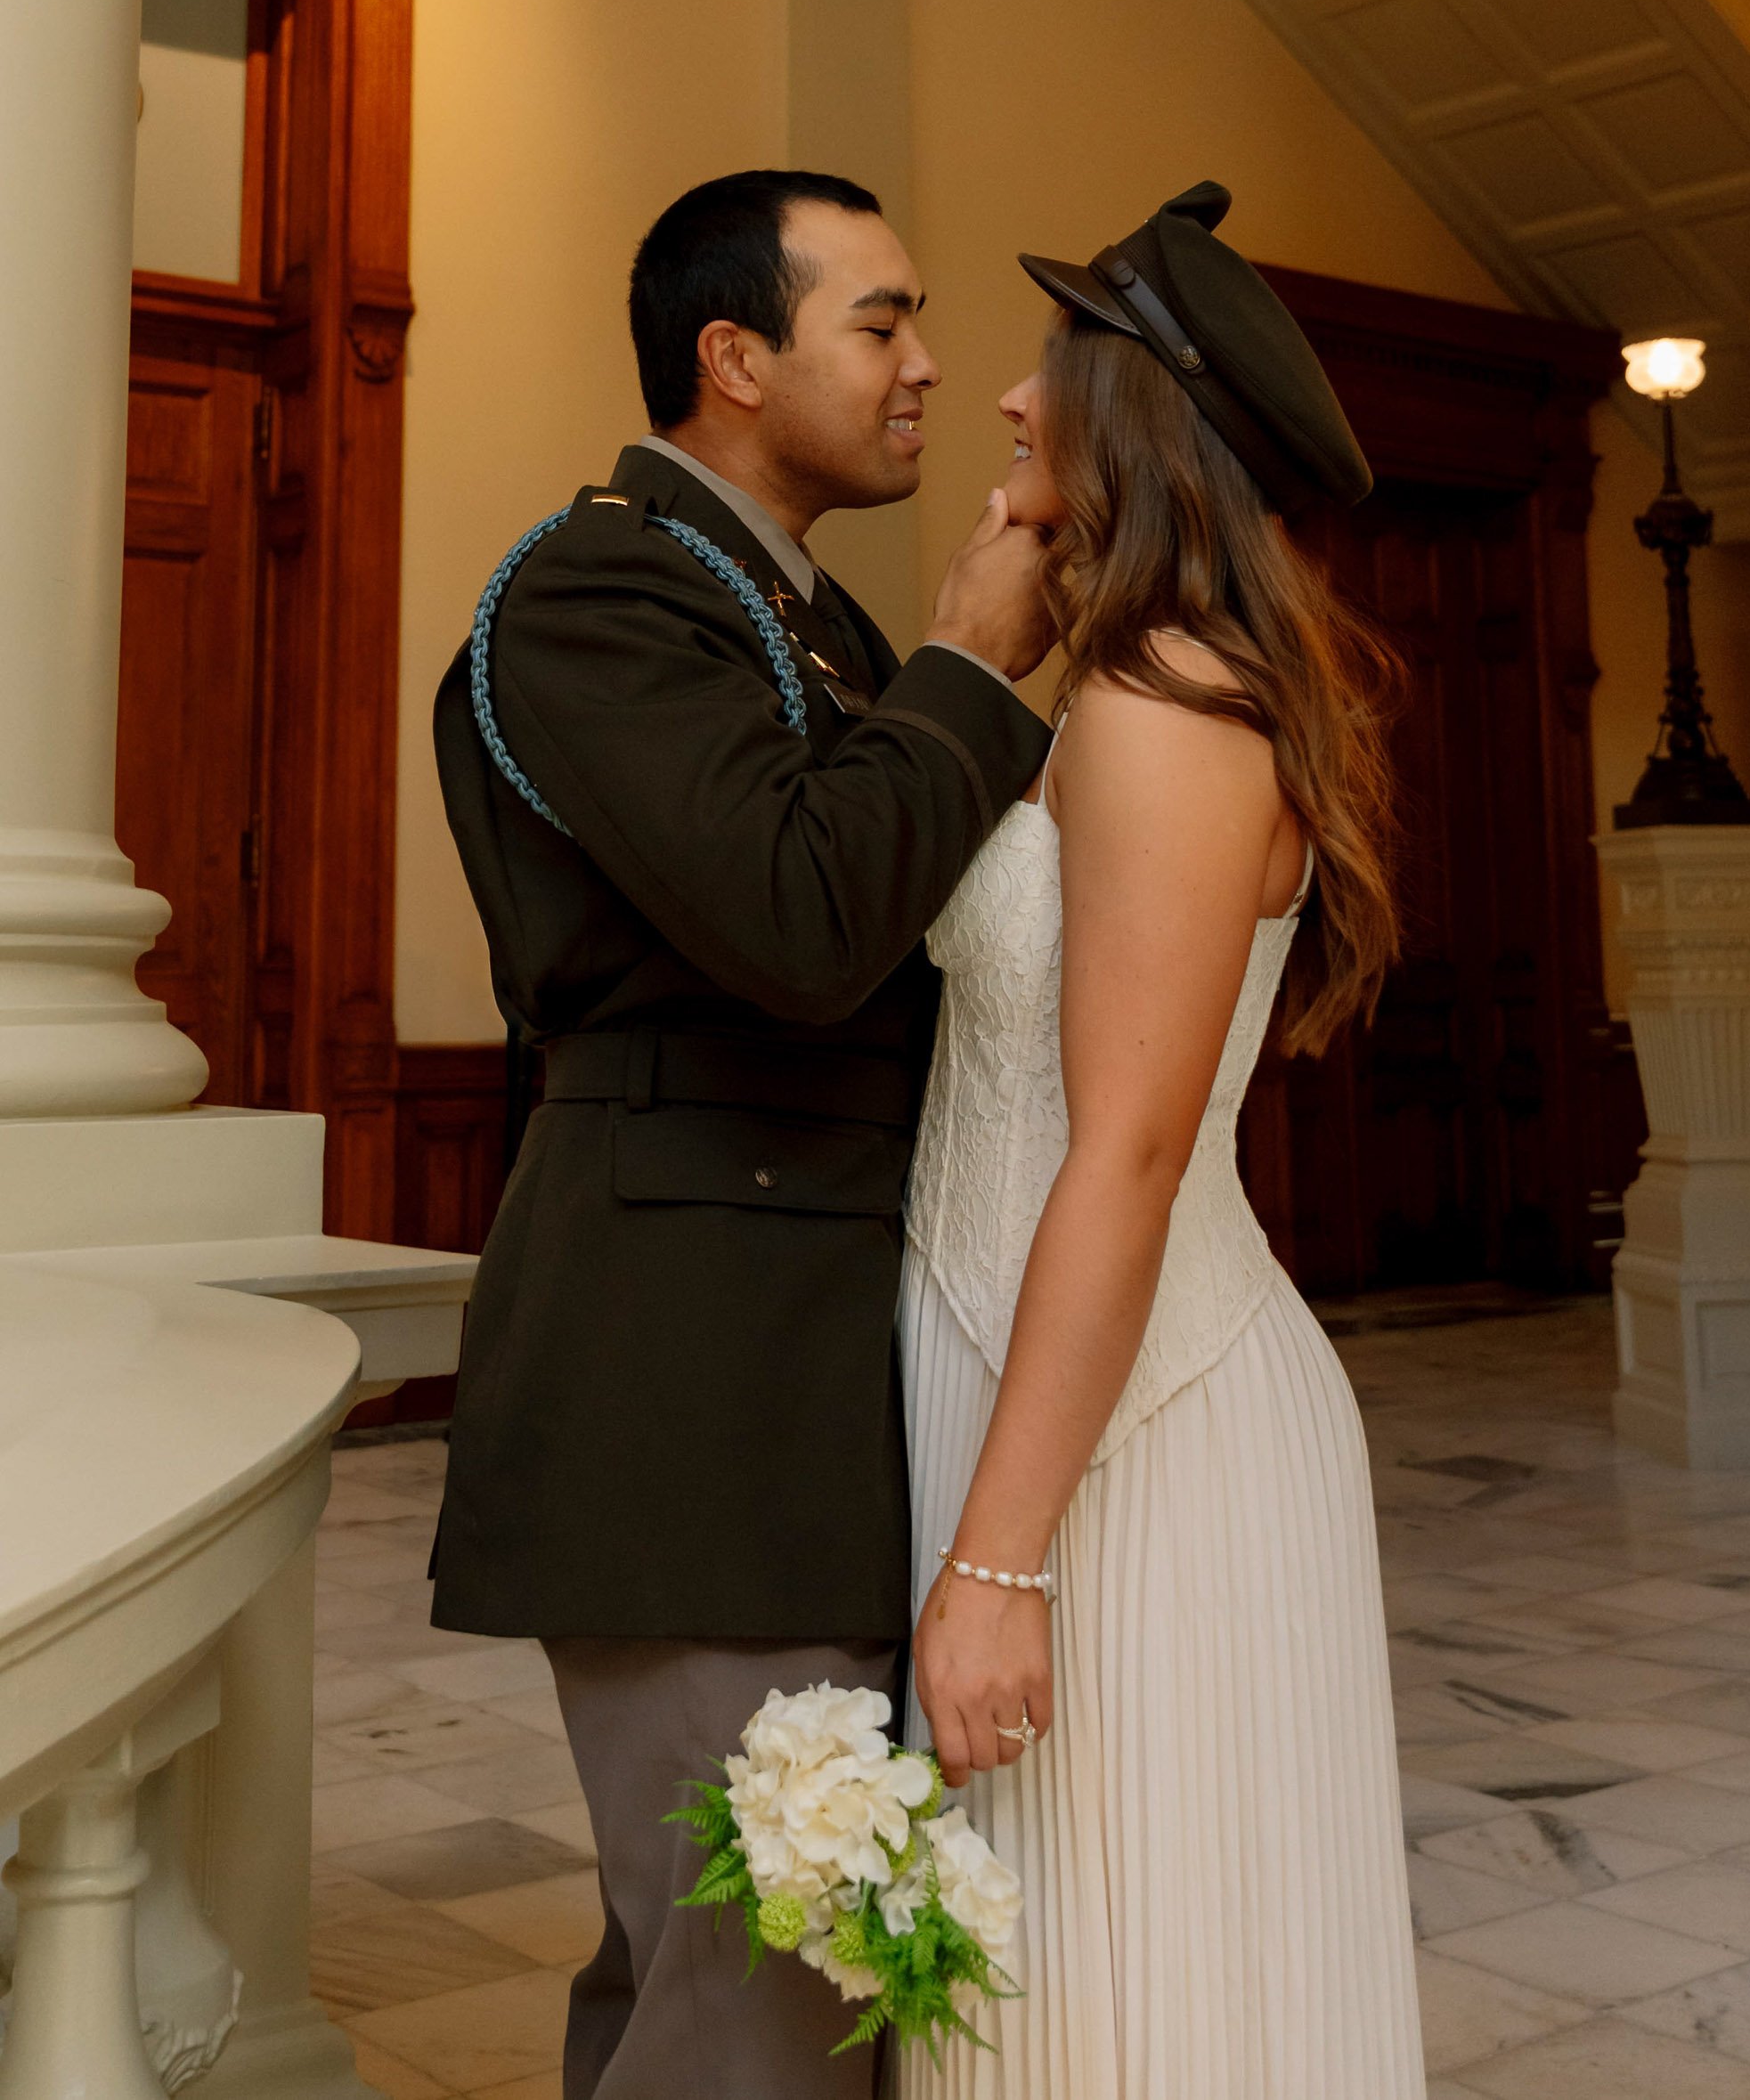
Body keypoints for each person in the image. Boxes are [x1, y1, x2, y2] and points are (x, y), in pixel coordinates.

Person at [429, 168, 1054, 2100]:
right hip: (686, 1383)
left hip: (801, 1370)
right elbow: (797, 923)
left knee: (749, 1988)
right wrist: (967, 659)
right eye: (880, 321)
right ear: (733, 355)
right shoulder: (600, 586)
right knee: (756, 2004)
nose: (926, 364)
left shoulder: (796, 609)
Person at [901, 183, 1426, 2098]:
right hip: (1031, 1385)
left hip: (1129, 1441)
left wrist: (1000, 1562)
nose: (1010, 404)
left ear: (1127, 417)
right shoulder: (1112, 686)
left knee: (1142, 1993)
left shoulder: (1159, 706)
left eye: (1049, 371)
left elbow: (1121, 1152)